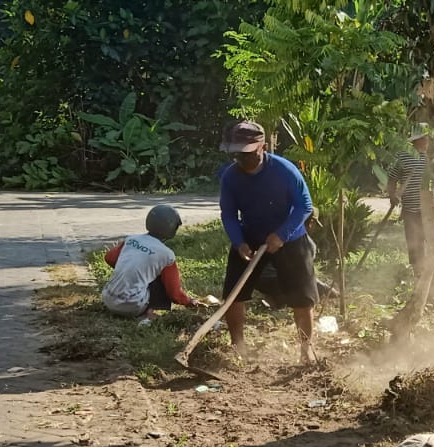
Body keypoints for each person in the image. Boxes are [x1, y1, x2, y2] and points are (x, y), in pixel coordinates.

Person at [217, 119, 321, 365]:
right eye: (236, 155)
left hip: (290, 238)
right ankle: (238, 347)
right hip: (250, 237)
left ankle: (306, 349)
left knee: (302, 297)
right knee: (234, 294)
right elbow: (229, 214)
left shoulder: (285, 171)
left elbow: (305, 206)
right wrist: (238, 242)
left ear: (261, 147)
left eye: (246, 154)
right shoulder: (230, 177)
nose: (240, 160)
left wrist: (281, 235)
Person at [100, 204, 199, 321]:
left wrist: (130, 269)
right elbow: (175, 293)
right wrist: (189, 301)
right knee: (161, 279)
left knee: (149, 272)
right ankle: (148, 313)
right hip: (133, 306)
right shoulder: (166, 255)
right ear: (172, 228)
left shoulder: (131, 239)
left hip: (108, 299)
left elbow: (109, 258)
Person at [386, 125, 433, 280]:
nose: (428, 140)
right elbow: (392, 179)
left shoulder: (433, 157)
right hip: (411, 209)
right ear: (417, 140)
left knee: (432, 242)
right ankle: (418, 276)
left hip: (430, 210)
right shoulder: (403, 157)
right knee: (414, 243)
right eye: (425, 137)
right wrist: (392, 195)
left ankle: (431, 277)